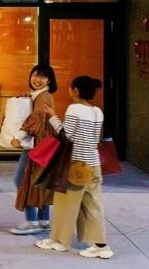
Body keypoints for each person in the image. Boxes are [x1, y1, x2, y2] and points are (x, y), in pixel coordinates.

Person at [35, 75, 114, 259]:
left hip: (75, 166)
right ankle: (101, 246)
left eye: (71, 88)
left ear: (76, 90)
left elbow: (67, 135)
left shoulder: (74, 109)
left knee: (65, 204)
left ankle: (59, 241)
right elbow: (95, 138)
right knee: (93, 206)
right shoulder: (97, 112)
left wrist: (52, 117)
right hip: (93, 164)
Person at [8, 64, 58, 235]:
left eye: (42, 77)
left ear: (49, 80)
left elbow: (35, 119)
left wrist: (18, 137)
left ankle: (31, 221)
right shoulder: (42, 95)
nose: (37, 79)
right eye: (35, 75)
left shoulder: (42, 97)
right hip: (44, 145)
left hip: (37, 145)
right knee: (39, 180)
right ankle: (43, 220)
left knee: (23, 180)